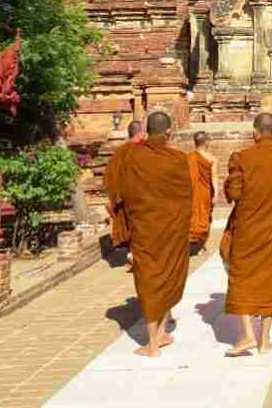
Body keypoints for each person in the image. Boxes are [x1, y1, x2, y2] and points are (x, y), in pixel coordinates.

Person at [118, 111, 193, 357]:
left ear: (146, 131)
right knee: (168, 276)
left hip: (145, 229)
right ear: (169, 132)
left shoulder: (132, 157)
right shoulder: (178, 159)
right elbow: (186, 197)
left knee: (149, 280)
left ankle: (154, 342)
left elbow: (125, 194)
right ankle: (158, 335)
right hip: (172, 229)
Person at [223, 113, 272, 357]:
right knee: (271, 281)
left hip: (248, 230)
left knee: (241, 277)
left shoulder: (242, 158)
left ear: (255, 131)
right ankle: (264, 341)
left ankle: (247, 335)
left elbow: (234, 192)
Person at [104, 119, 145, 272]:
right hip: (140, 197)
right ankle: (136, 256)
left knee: (129, 226)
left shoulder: (119, 152)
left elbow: (109, 177)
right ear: (140, 133)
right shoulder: (143, 151)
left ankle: (131, 254)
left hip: (123, 198)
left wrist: (116, 196)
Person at [186, 131, 217, 256]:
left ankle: (192, 243)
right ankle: (200, 245)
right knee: (204, 217)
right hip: (206, 193)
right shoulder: (212, 158)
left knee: (193, 217)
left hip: (191, 193)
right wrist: (215, 195)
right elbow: (214, 177)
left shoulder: (188, 158)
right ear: (206, 142)